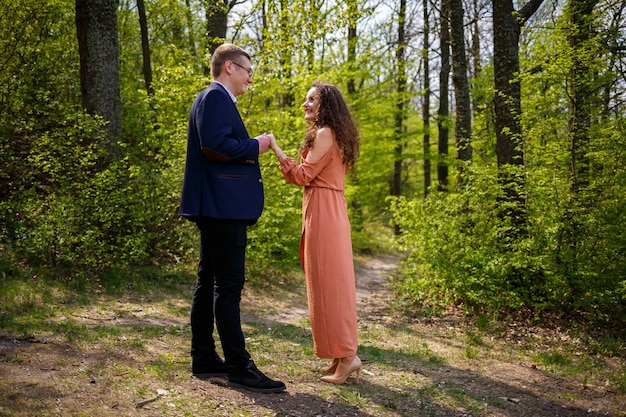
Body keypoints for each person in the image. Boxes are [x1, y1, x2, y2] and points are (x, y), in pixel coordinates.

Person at [179, 43, 286, 394]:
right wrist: (257, 145)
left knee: (208, 280)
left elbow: (217, 144)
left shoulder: (214, 99)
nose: (250, 79)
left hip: (216, 206)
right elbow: (216, 144)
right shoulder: (214, 98)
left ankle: (205, 358)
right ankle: (240, 367)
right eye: (247, 71)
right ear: (229, 67)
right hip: (221, 208)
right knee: (228, 287)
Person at [269, 81, 361, 384]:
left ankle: (347, 356)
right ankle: (340, 354)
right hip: (329, 208)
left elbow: (302, 175)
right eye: (305, 99)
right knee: (330, 282)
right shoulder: (333, 134)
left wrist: (275, 147)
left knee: (330, 285)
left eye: (311, 100)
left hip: (324, 210)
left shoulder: (324, 134)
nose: (305, 105)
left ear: (326, 105)